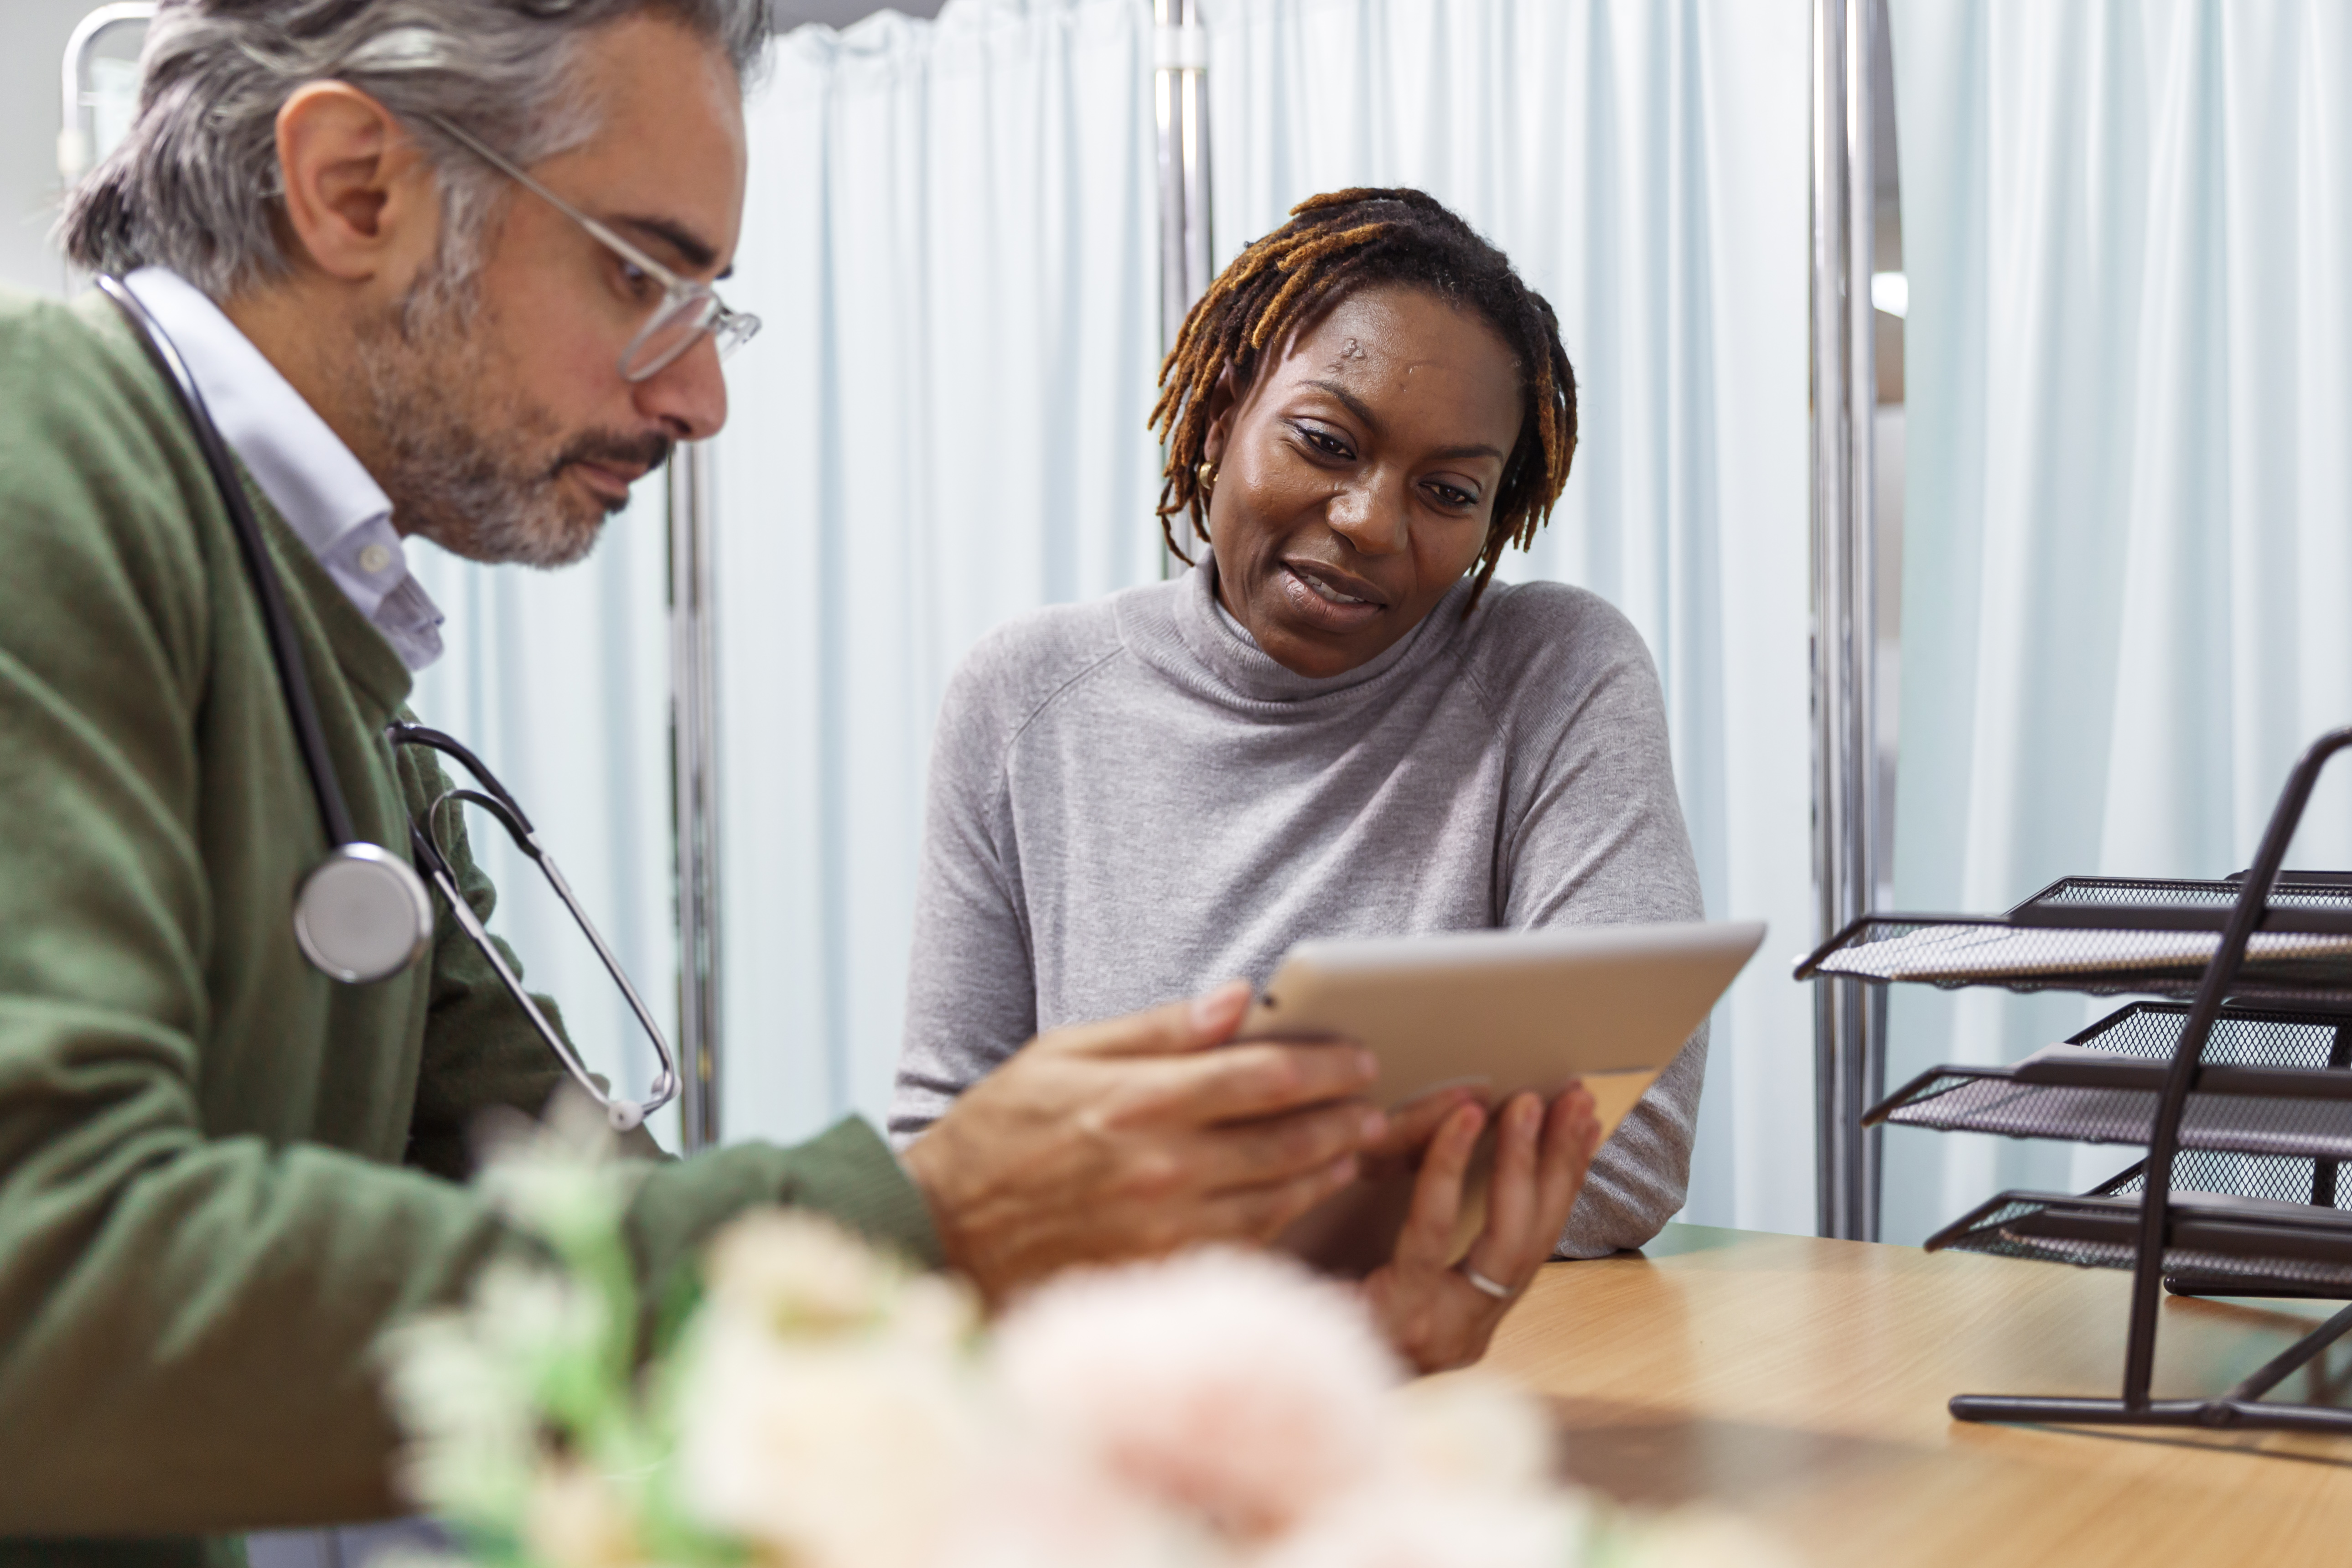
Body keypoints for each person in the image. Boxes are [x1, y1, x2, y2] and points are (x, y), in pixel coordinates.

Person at [0, 3, 1602, 1559]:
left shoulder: (318, 645)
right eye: (643, 274)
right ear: (356, 188)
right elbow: (45, 1295)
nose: (700, 397)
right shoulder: (43, 461)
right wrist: (939, 1223)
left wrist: (1264, 1358)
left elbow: (582, 1248)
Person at [893, 189, 1708, 1259]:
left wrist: (1132, 1196)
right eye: (1325, 441)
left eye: (1449, 492)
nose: (1371, 519)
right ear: (1225, 407)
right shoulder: (1023, 697)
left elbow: (1619, 1148)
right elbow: (945, 1167)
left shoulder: (1554, 674)